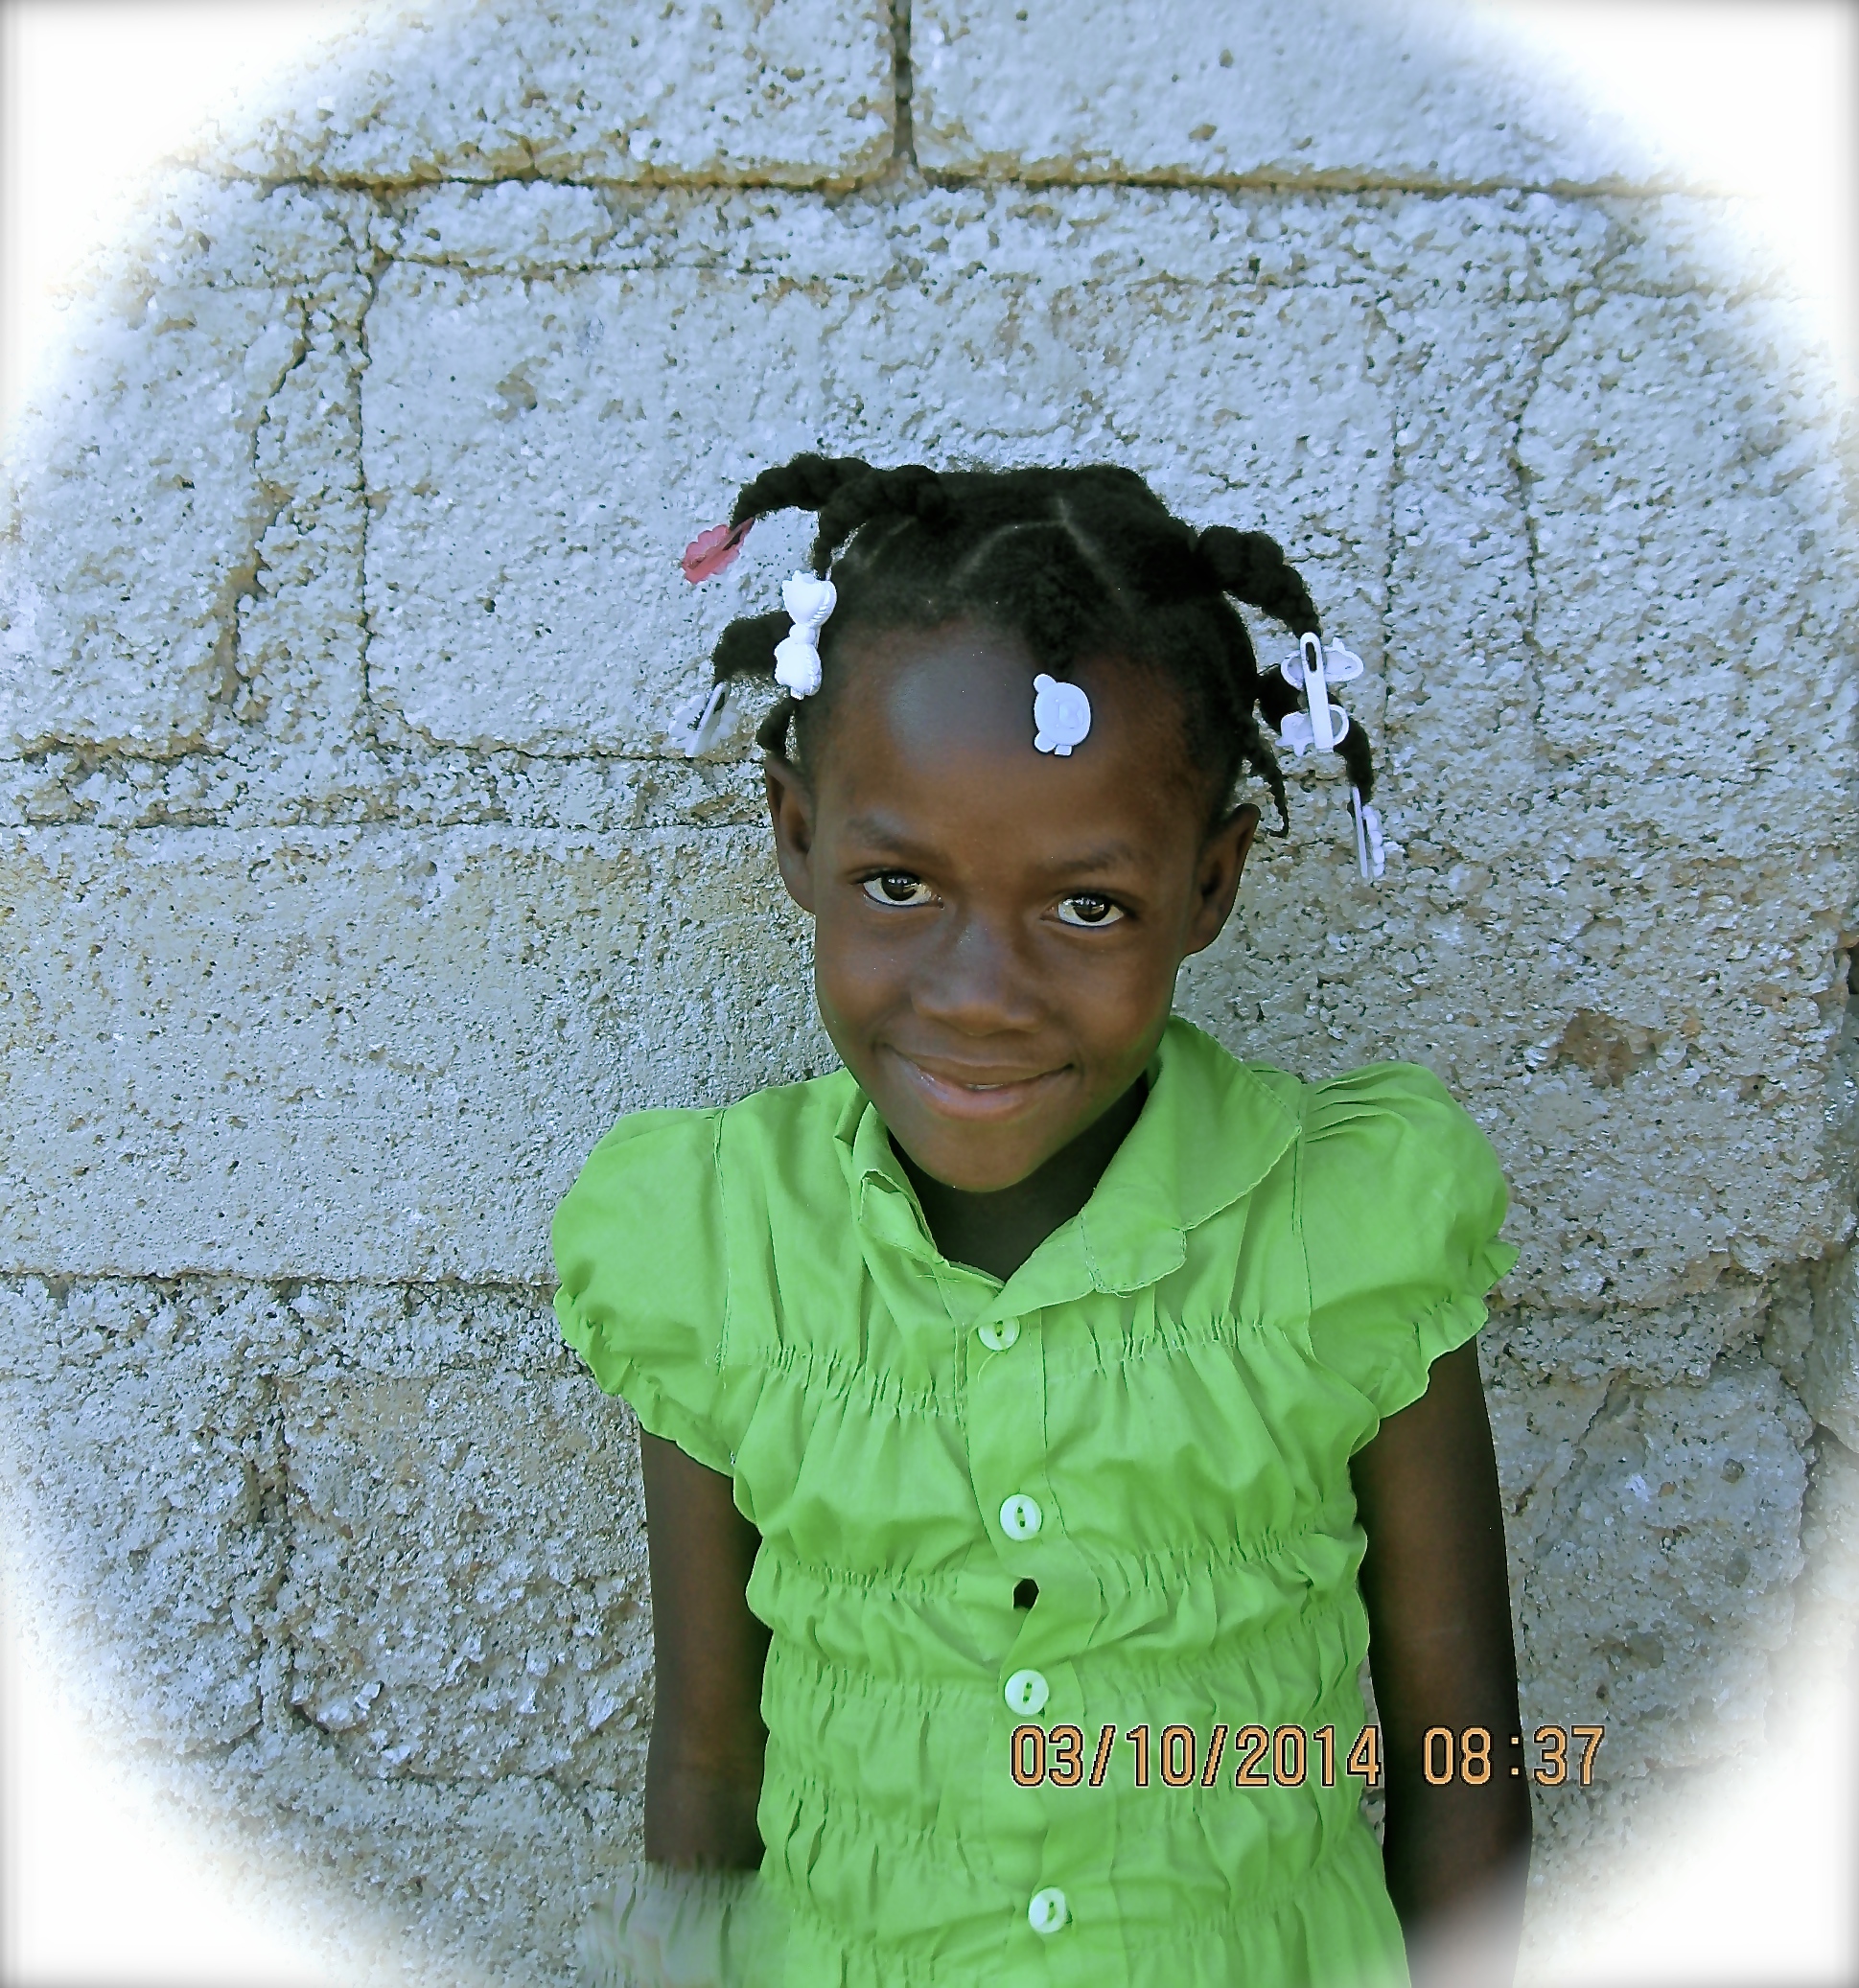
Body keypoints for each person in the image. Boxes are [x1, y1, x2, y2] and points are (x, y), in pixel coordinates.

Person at [551, 456, 1532, 1987]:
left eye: (1086, 907)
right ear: (796, 835)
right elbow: (707, 1765)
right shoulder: (720, 1249)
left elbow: (1462, 1758)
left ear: (1210, 882)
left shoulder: (1348, 1234)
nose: (981, 995)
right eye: (898, 882)